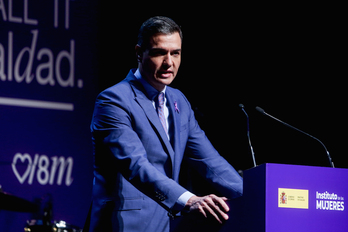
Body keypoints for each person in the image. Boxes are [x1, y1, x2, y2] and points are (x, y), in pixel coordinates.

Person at [86, 16, 243, 232]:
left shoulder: (179, 101)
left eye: (175, 53)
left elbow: (210, 161)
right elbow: (135, 165)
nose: (169, 62)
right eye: (160, 53)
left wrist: (254, 193)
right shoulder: (113, 100)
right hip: (122, 225)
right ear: (139, 53)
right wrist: (188, 199)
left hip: (165, 225)